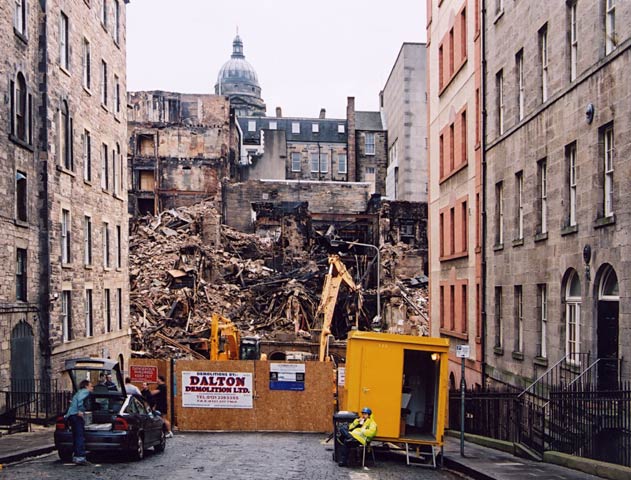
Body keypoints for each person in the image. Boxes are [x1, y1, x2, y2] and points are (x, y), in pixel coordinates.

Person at [65, 379, 93, 465]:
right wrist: (81, 410)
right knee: (79, 436)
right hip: (76, 415)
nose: (92, 388)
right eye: (91, 386)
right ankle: (80, 457)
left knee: (76, 436)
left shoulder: (78, 392)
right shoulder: (85, 392)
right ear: (86, 386)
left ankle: (76, 456)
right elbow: (80, 402)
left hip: (71, 415)